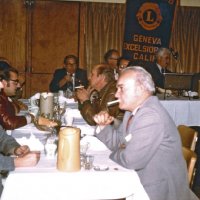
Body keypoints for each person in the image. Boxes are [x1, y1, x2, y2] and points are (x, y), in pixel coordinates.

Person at [93, 66, 198, 200]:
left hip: (159, 192)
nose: (116, 94)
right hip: (142, 181)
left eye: (121, 88)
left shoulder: (150, 116)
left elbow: (130, 160)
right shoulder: (132, 111)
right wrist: (103, 127)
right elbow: (119, 142)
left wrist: (115, 153)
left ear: (140, 89)